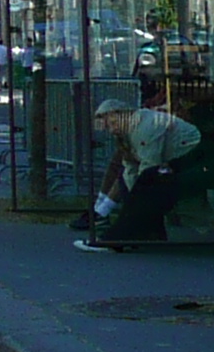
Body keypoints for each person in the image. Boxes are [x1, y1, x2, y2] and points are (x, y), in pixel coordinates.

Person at [77, 97, 204, 250]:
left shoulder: (145, 127)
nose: (112, 130)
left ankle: (123, 234)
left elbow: (149, 167)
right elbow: (130, 166)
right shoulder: (130, 130)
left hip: (193, 159)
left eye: (113, 123)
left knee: (147, 188)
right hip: (174, 162)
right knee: (127, 182)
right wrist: (133, 196)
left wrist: (136, 199)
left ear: (122, 114)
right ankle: (147, 233)